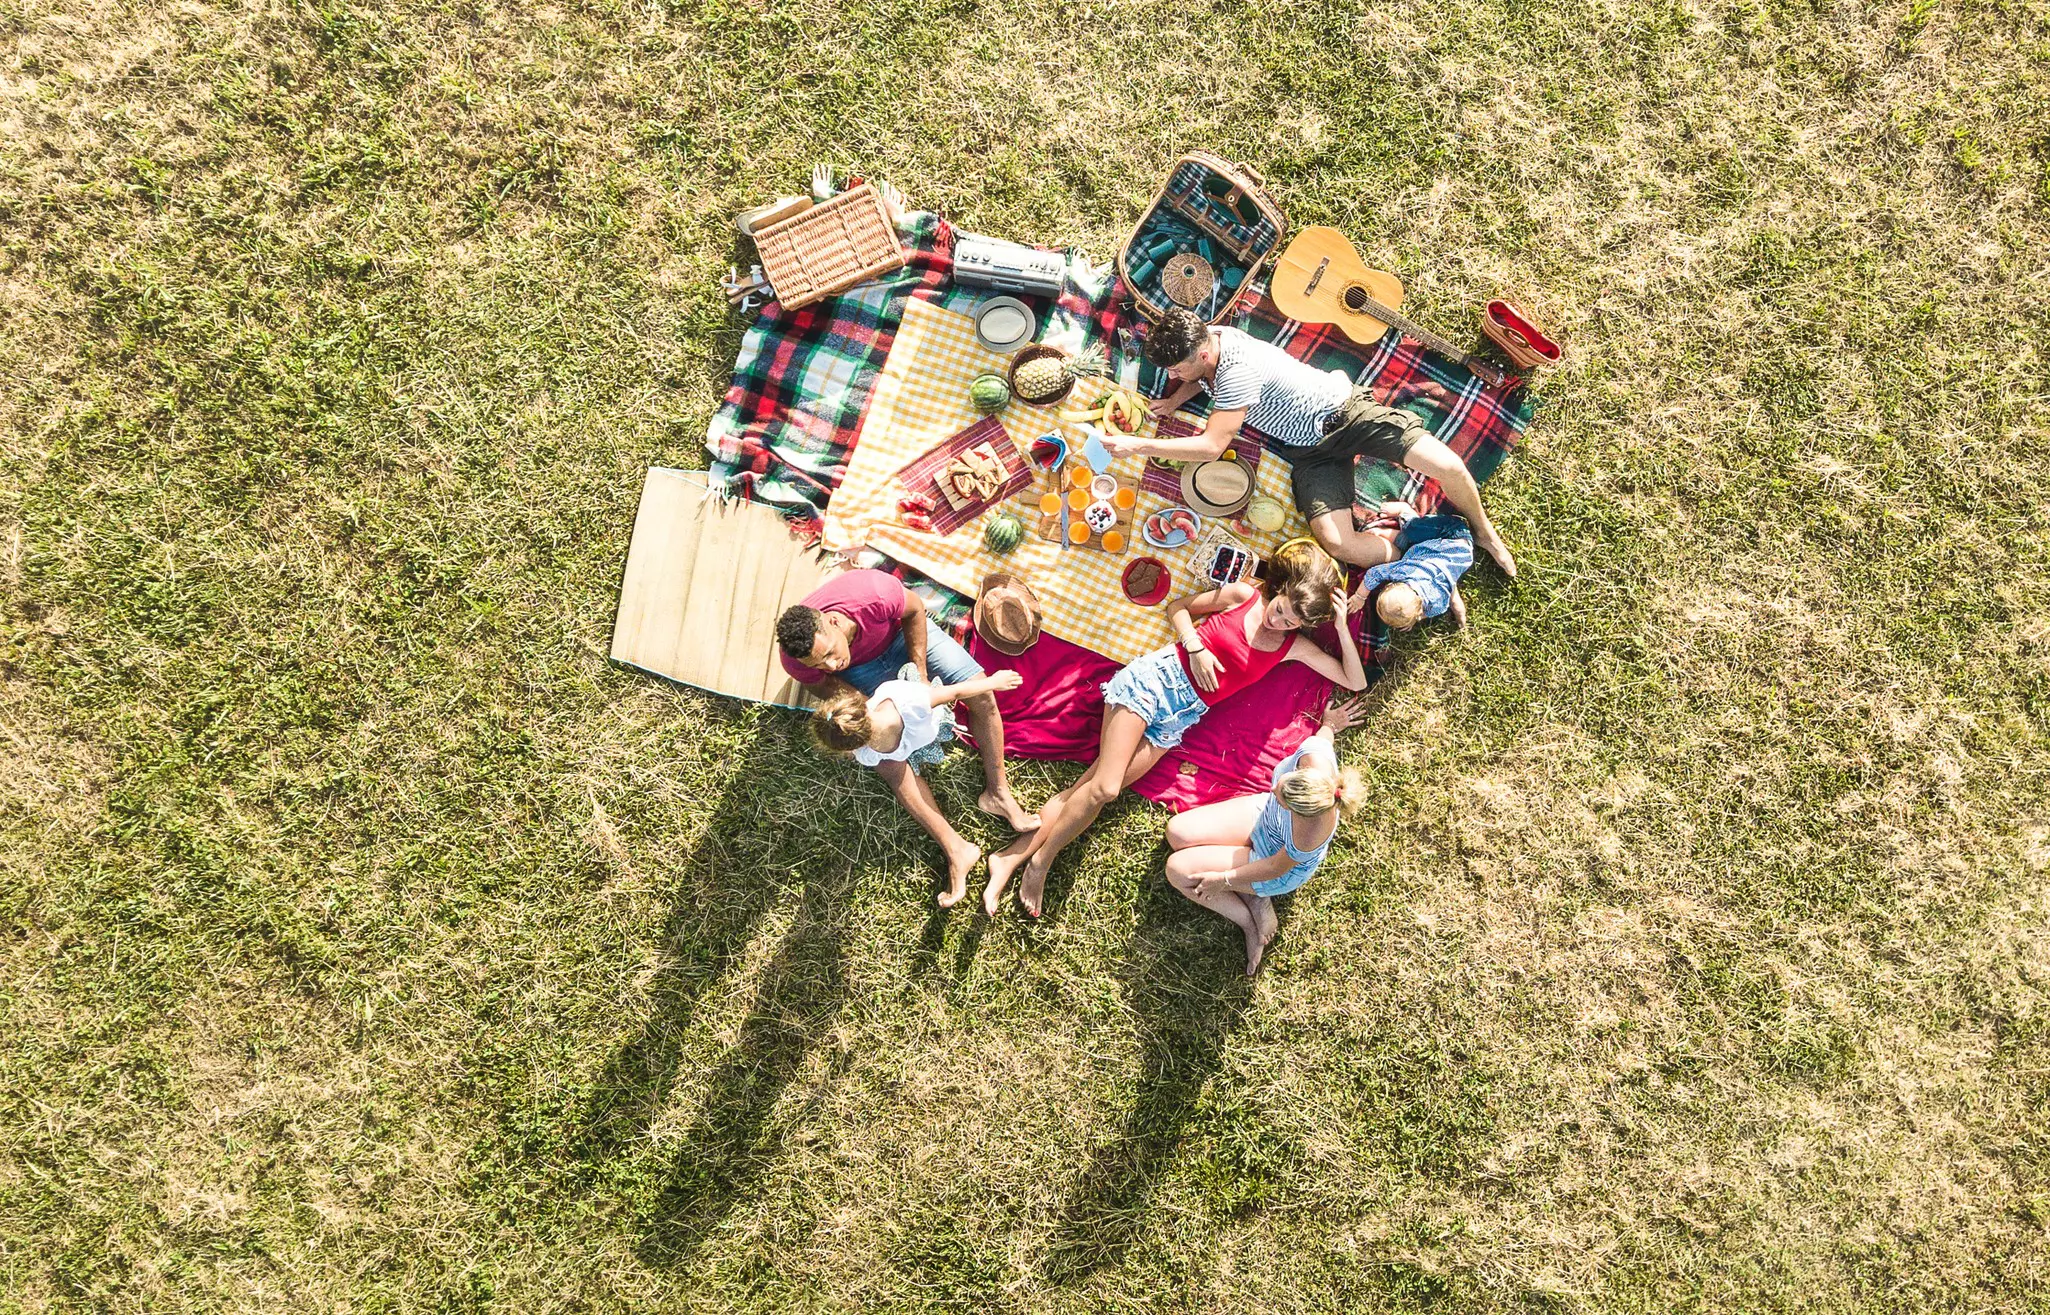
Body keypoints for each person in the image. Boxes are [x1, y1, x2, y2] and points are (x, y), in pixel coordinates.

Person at [983, 546, 1368, 919]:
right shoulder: (1243, 596)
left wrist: (1340, 627)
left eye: (1290, 622)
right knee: (1105, 789)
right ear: (1279, 590)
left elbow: (1354, 679)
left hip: (1180, 717)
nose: (1278, 622)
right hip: (1154, 682)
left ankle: (1008, 858)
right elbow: (1178, 608)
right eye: (1280, 609)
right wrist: (1196, 646)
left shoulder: (1290, 647)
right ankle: (1040, 863)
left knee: (1086, 790)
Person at [1102, 306, 1516, 578]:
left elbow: (1211, 446)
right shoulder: (1211, 337)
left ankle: (1482, 532)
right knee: (1341, 545)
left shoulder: (1235, 373)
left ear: (1204, 355)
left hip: (1347, 414)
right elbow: (1201, 380)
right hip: (1308, 450)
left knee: (1448, 467)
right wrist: (1175, 399)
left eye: (1177, 369)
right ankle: (1417, 560)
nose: (1173, 374)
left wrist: (1138, 446)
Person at [777, 569, 1037, 895]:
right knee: (886, 761)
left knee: (980, 693)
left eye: (830, 653)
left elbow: (914, 611)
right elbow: (826, 684)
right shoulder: (797, 661)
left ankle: (998, 793)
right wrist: (868, 710)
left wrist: (919, 676)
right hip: (864, 672)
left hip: (899, 638)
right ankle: (956, 849)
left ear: (832, 622)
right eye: (820, 663)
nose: (831, 664)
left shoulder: (872, 592)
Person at [1162, 697, 1367, 975]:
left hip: (1273, 863)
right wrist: (1330, 724)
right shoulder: (1313, 757)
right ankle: (1251, 894)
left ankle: (1247, 918)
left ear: (1301, 814)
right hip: (1263, 818)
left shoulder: (1308, 834)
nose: (1273, 789)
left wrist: (1222, 881)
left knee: (1177, 870)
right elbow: (1323, 738)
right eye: (1282, 784)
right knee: (1176, 832)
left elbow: (1274, 867)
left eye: (1282, 798)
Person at [812, 666, 1026, 907]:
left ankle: (961, 846)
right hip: (907, 741)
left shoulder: (911, 701)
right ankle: (958, 850)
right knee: (893, 773)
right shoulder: (868, 753)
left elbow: (955, 692)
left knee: (894, 766)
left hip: (926, 721)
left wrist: (993, 681)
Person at [1350, 502, 1476, 632]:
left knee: (1408, 543)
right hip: (1452, 535)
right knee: (1413, 532)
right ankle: (1402, 515)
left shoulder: (1437, 603)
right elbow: (1374, 574)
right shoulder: (1402, 572)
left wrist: (1417, 616)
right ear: (1390, 585)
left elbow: (1443, 602)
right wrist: (1360, 597)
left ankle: (1400, 516)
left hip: (1443, 546)